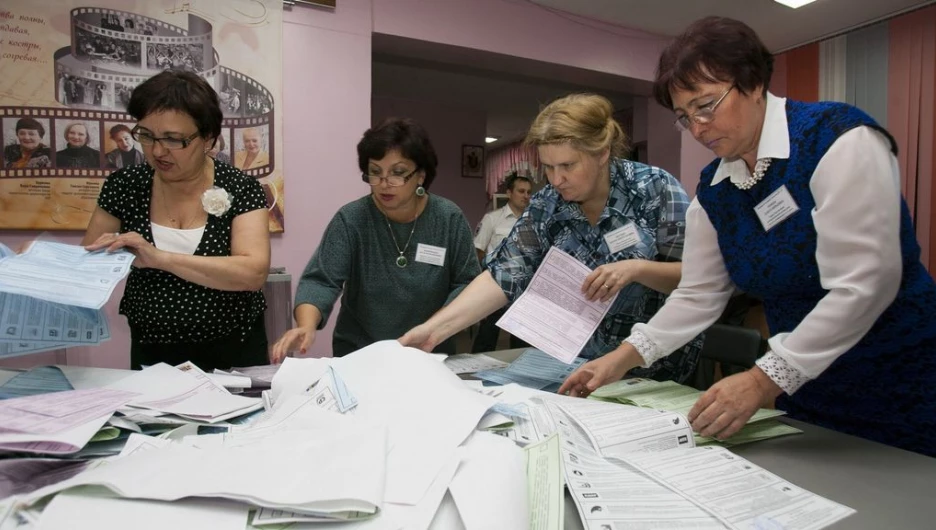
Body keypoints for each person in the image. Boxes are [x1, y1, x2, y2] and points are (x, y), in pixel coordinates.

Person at [559, 17, 936, 457]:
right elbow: (699, 295)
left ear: (754, 83)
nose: (697, 128)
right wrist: (621, 359)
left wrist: (763, 379)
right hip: (808, 385)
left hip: (901, 377)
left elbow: (864, 284)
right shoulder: (716, 189)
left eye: (706, 106)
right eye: (685, 117)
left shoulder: (839, 140)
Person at [400, 94, 701, 384]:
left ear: (602, 153)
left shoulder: (654, 189)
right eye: (548, 167)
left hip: (651, 370)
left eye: (568, 166)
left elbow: (698, 280)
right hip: (575, 366)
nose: (556, 179)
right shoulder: (548, 203)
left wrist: (637, 270)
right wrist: (432, 331)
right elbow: (504, 275)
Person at [82, 70, 271, 371]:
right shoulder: (124, 185)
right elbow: (89, 260)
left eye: (173, 139)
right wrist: (47, 261)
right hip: (152, 350)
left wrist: (157, 258)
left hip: (234, 351)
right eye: (146, 135)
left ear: (208, 138)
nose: (157, 151)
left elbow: (252, 272)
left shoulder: (240, 188)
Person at [270, 118, 480, 359]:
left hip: (430, 351)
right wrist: (306, 326)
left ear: (420, 175)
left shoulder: (447, 218)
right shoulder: (352, 219)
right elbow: (321, 280)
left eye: (398, 173)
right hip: (360, 352)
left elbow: (467, 283)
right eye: (375, 173)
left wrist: (436, 327)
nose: (384, 184)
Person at [470, 173, 532, 353]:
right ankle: (474, 370)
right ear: (509, 193)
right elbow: (478, 252)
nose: (526, 196)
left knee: (520, 339)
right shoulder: (492, 219)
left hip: (523, 287)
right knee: (487, 334)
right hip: (495, 285)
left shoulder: (533, 221)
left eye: (528, 192)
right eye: (521, 191)